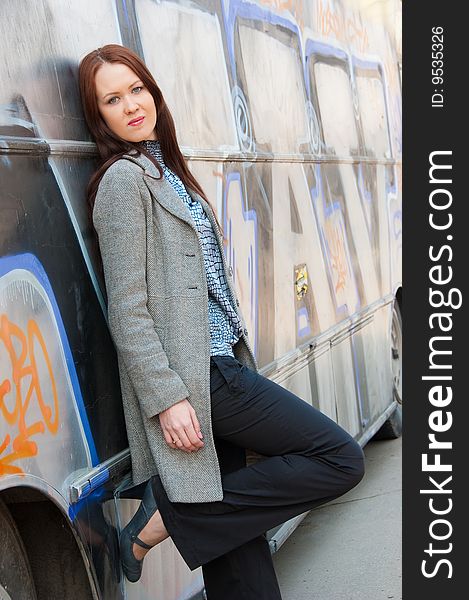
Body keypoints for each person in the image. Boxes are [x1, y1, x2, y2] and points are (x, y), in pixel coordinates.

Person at [78, 44, 365, 599]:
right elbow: (127, 306)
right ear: (100, 118)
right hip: (201, 378)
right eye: (113, 100)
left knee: (239, 547)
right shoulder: (122, 181)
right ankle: (167, 519)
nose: (132, 105)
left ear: (153, 91)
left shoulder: (164, 168)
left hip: (223, 359)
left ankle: (188, 515)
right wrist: (167, 397)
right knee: (338, 457)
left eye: (137, 89)